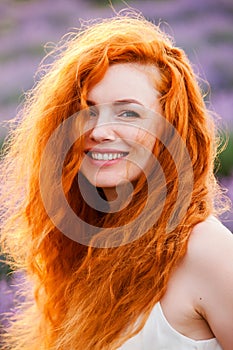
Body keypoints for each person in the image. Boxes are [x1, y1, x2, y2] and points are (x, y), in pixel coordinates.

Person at [1, 11, 233, 350]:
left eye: (128, 113)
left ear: (171, 128)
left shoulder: (205, 251)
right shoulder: (83, 248)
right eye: (88, 111)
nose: (98, 131)